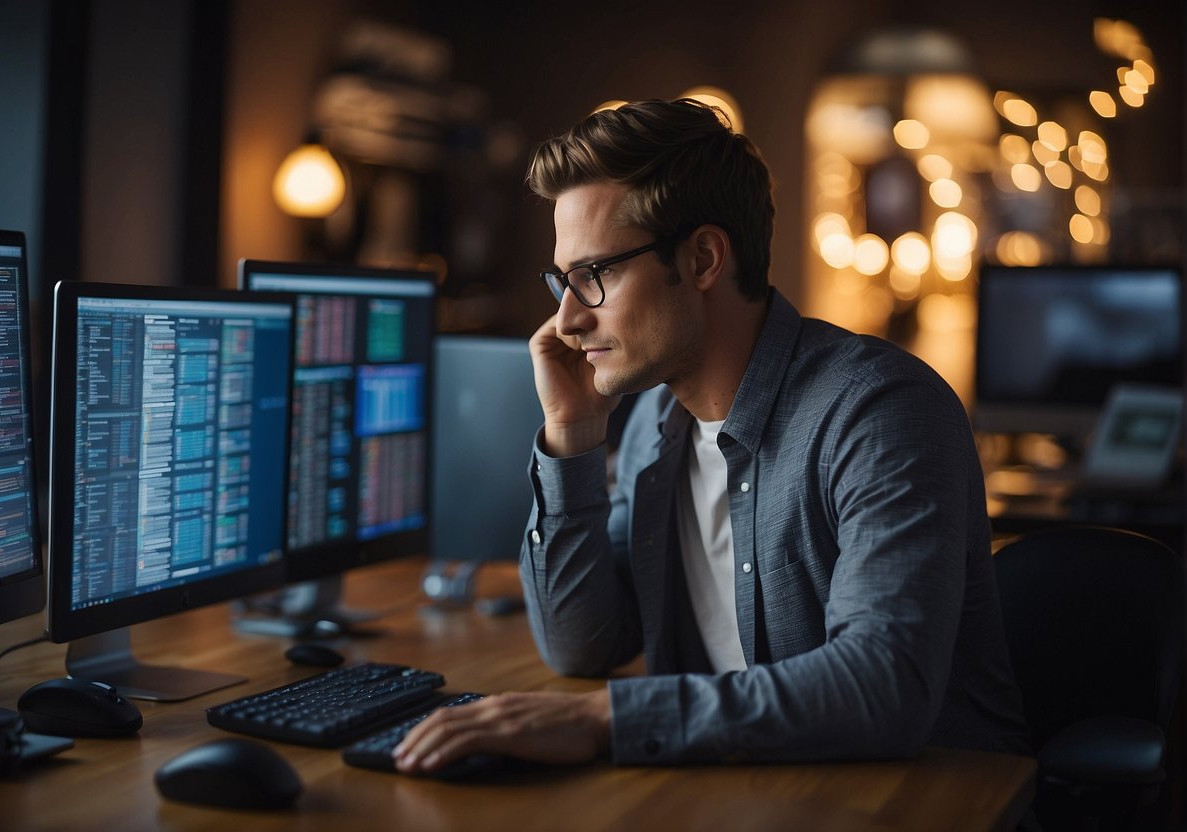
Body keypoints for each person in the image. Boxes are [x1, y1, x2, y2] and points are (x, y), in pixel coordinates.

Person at [394, 98, 1030, 774]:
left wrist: (604, 718)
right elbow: (582, 645)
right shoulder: (650, 424)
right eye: (563, 280)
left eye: (594, 277)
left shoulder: (879, 412)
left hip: (920, 804)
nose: (567, 321)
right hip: (743, 793)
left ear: (701, 259)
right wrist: (571, 435)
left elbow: (882, 688)